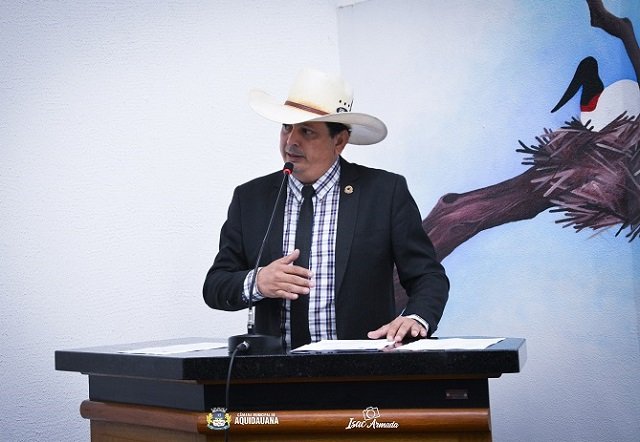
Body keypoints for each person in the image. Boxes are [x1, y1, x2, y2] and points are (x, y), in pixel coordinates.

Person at [203, 67, 449, 351]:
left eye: (306, 131)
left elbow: (427, 276)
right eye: (286, 127)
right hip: (276, 372)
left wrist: (416, 317)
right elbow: (215, 285)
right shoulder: (250, 198)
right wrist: (257, 281)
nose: (291, 141)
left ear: (339, 141)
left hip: (362, 367)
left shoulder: (384, 193)